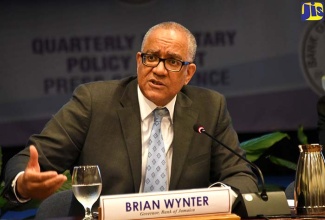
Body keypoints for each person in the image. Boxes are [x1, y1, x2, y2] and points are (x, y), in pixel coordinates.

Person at [3, 21, 258, 213]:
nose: (158, 70)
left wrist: (208, 200)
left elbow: (241, 177)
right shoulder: (94, 102)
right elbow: (27, 161)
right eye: (151, 58)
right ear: (139, 60)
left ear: (188, 73)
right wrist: (24, 184)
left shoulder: (209, 107)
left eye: (172, 62)